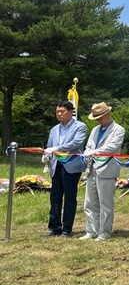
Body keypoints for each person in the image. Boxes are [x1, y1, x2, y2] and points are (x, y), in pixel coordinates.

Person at [80, 102, 125, 241]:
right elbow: (88, 145)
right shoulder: (95, 130)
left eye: (100, 117)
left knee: (105, 202)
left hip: (107, 169)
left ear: (108, 114)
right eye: (96, 118)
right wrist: (88, 152)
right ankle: (91, 230)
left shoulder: (118, 130)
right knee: (90, 202)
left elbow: (112, 147)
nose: (98, 120)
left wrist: (95, 152)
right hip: (91, 169)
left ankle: (104, 232)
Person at [43, 100, 87, 237]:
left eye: (62, 111)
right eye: (57, 112)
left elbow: (76, 143)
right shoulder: (54, 129)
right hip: (56, 166)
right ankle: (54, 227)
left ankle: (67, 228)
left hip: (71, 165)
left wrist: (57, 148)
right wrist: (48, 155)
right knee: (55, 196)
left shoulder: (80, 126)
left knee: (69, 197)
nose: (59, 114)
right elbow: (50, 145)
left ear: (71, 112)